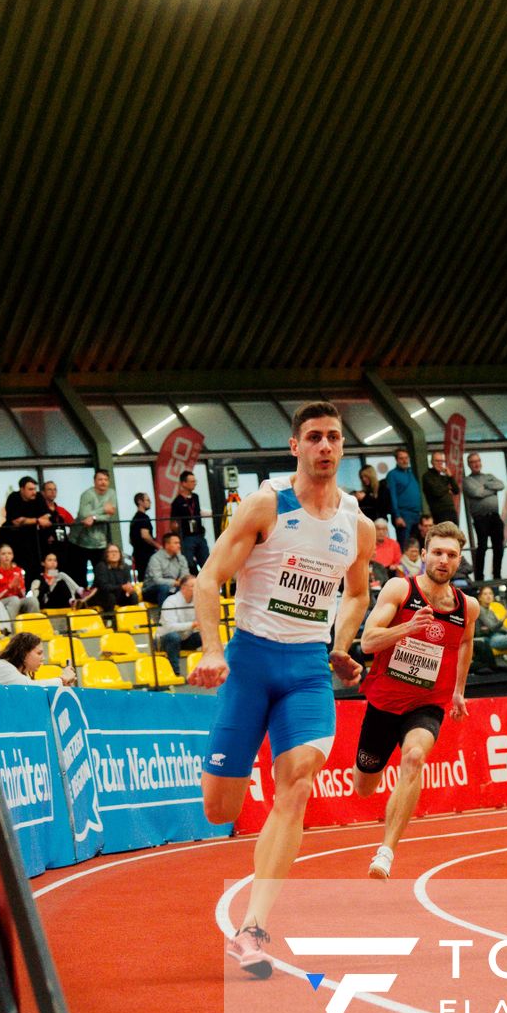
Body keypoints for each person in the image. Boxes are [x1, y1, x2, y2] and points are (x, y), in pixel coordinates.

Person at [190, 402, 374, 978]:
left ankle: (253, 928)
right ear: (295, 446)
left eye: (334, 438)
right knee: (222, 806)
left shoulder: (358, 526)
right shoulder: (267, 505)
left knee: (295, 784)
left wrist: (343, 643)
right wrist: (213, 649)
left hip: (306, 670)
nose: (325, 446)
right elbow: (209, 578)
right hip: (250, 660)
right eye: (314, 437)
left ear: (343, 448)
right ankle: (236, 786)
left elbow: (357, 593)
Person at [350, 524, 476, 879]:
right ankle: (378, 779)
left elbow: (465, 644)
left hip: (427, 704)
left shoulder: (468, 607)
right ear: (423, 555)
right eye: (437, 552)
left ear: (459, 560)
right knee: (364, 787)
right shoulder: (400, 589)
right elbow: (369, 642)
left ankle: (386, 852)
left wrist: (458, 690)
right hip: (385, 702)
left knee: (415, 756)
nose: (443, 560)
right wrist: (406, 628)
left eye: (451, 555)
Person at [462, 451, 506, 580]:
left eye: (478, 461)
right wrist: (492, 489)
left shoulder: (489, 476)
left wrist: (485, 486)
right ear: (469, 464)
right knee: (483, 546)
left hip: (495, 516)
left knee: (498, 546)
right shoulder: (467, 480)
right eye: (473, 462)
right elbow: (476, 493)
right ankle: (479, 576)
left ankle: (497, 574)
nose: (476, 464)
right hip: (480, 518)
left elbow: (501, 485)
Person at [0, 630, 76, 687]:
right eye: (39, 653)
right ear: (24, 653)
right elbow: (30, 688)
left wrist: (64, 685)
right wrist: (63, 679)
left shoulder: (22, 674)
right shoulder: (1, 667)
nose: (43, 658)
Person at [70, 469, 119, 582]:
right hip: (80, 541)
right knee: (79, 576)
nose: (103, 482)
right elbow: (83, 515)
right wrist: (103, 509)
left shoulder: (111, 493)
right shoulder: (87, 494)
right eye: (100, 479)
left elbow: (109, 515)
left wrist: (94, 517)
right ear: (94, 481)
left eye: (106, 480)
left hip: (100, 543)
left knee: (101, 574)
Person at [157, 579, 201, 678]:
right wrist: (192, 625)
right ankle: (175, 673)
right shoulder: (170, 601)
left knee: (205, 635)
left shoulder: (198, 601)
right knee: (173, 637)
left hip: (185, 637)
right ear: (183, 587)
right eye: (193, 586)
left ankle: (202, 670)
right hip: (164, 639)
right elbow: (169, 627)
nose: (196, 588)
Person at [169, 470, 210, 572]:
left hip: (199, 535)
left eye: (195, 481)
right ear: (183, 483)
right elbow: (173, 522)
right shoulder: (177, 502)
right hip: (187, 537)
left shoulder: (195, 497)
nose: (194, 483)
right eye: (191, 481)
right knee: (189, 563)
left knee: (206, 561)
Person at [382, 446, 422, 547]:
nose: (404, 461)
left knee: (417, 545)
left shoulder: (411, 473)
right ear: (396, 460)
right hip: (403, 515)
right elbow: (392, 496)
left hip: (416, 514)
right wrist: (397, 516)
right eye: (401, 458)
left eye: (406, 458)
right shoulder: (392, 475)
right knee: (405, 545)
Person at [90, 541, 143, 616]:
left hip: (119, 595)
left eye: (116, 551)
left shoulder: (125, 567)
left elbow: (127, 583)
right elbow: (103, 587)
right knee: (110, 597)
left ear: (120, 554)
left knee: (133, 595)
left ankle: (134, 618)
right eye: (111, 552)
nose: (114, 554)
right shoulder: (101, 566)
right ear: (106, 555)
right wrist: (122, 587)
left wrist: (129, 589)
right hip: (102, 596)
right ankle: (109, 621)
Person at [143, 531, 192, 607]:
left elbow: (186, 576)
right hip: (151, 590)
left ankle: (186, 614)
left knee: (189, 587)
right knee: (164, 588)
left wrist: (182, 582)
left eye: (179, 543)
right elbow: (157, 580)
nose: (179, 546)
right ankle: (164, 615)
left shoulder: (181, 558)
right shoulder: (156, 558)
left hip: (173, 587)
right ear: (167, 545)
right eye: (176, 543)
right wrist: (175, 583)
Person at [0, 542, 38, 617]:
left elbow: (23, 594)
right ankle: (11, 628)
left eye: (9, 553)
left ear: (12, 556)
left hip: (18, 600)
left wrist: (18, 587)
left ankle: (34, 627)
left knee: (32, 600)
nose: (7, 556)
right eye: (3, 554)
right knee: (14, 600)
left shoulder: (18, 570)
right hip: (2, 601)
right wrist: (10, 586)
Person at [421, 451, 460, 525]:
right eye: (437, 461)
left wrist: (450, 476)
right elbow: (437, 492)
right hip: (439, 511)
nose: (440, 463)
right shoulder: (427, 476)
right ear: (432, 462)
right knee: (444, 534)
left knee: (455, 534)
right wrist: (447, 489)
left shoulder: (444, 477)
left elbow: (456, 490)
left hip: (451, 510)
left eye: (441, 461)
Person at [129, 492, 157, 576]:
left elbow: (130, 540)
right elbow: (145, 535)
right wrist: (158, 546)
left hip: (138, 555)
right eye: (147, 500)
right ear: (140, 502)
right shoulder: (143, 517)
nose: (150, 502)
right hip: (146, 555)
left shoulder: (134, 519)